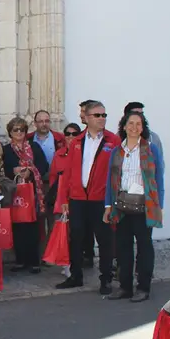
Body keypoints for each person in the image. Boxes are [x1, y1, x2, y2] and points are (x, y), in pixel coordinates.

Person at [55, 101, 121, 294]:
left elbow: (118, 172)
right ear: (87, 118)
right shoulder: (77, 141)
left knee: (104, 240)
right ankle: (76, 276)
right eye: (98, 115)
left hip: (101, 199)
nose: (102, 118)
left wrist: (113, 199)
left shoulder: (113, 141)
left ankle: (106, 279)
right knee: (76, 238)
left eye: (104, 115)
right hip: (77, 198)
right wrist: (64, 199)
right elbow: (67, 172)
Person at [103, 111, 164, 303]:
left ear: (143, 128)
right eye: (131, 123)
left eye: (138, 124)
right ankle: (125, 287)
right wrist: (107, 206)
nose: (134, 127)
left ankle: (143, 288)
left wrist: (159, 206)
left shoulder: (151, 149)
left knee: (144, 248)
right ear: (124, 126)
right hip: (121, 205)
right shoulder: (116, 151)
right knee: (122, 247)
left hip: (144, 206)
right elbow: (110, 180)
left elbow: (158, 179)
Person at [2, 116, 49, 273]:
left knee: (33, 226)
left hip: (33, 191)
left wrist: (31, 171)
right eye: (15, 130)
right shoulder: (6, 150)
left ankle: (34, 261)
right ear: (10, 132)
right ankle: (20, 260)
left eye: (22, 129)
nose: (19, 132)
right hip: (15, 192)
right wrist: (13, 172)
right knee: (17, 226)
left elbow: (43, 165)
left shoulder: (34, 147)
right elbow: (3, 169)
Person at [48, 122, 82, 279]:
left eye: (74, 134)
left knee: (75, 233)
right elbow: (54, 177)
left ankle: (74, 263)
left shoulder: (83, 153)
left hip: (78, 196)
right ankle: (65, 263)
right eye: (67, 134)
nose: (70, 137)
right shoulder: (59, 154)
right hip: (61, 197)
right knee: (63, 231)